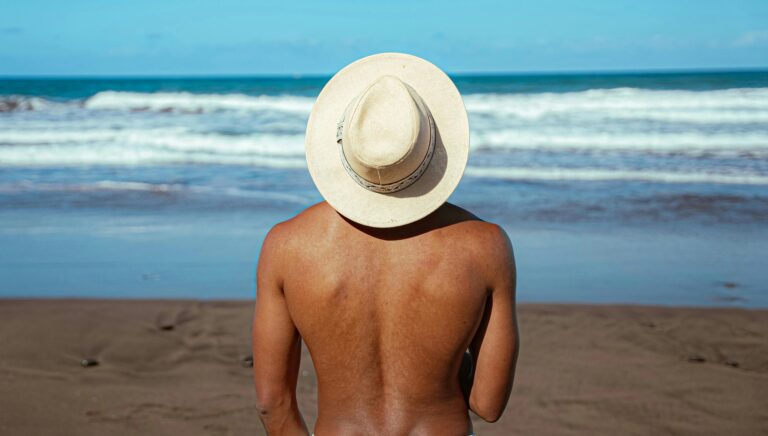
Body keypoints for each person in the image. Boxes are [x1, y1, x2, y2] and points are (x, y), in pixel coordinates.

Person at [252, 53, 519, 436]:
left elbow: (271, 405)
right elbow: (488, 404)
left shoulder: (287, 246)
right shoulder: (485, 246)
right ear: (431, 140)